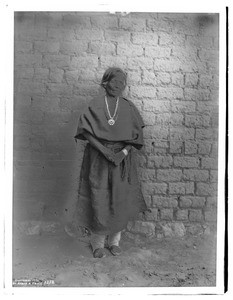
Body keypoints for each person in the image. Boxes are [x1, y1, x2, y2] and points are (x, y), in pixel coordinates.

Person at [72, 67, 148, 258]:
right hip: (98, 158)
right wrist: (105, 151)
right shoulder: (95, 104)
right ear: (105, 83)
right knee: (99, 198)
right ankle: (97, 243)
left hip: (121, 161)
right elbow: (87, 132)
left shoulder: (128, 107)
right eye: (114, 82)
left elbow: (136, 136)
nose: (117, 86)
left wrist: (122, 152)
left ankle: (114, 241)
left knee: (119, 199)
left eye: (121, 83)